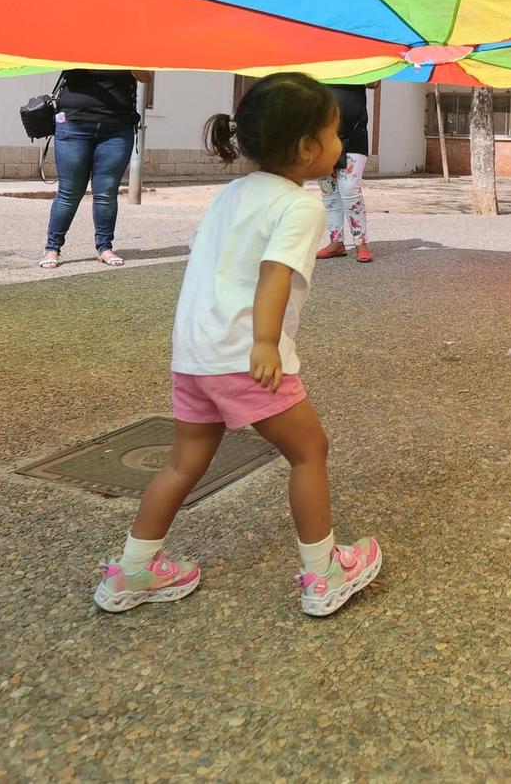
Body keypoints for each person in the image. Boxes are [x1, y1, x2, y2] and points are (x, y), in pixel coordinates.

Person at [92, 73, 383, 618]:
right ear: (305, 148)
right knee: (308, 451)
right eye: (336, 133)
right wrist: (266, 343)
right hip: (243, 354)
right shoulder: (300, 206)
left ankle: (132, 569)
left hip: (195, 354)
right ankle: (322, 575)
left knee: (183, 463)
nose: (343, 144)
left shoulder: (233, 193)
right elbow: (275, 272)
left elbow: (209, 256)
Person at [41, 69, 150, 268]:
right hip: (73, 123)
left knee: (107, 193)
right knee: (70, 191)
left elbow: (145, 77)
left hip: (117, 127)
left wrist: (129, 59)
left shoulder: (131, 44)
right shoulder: (80, 39)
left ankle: (104, 248)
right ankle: (52, 249)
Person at [315, 83, 373, 263]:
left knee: (349, 188)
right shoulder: (321, 64)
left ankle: (361, 243)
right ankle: (336, 242)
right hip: (323, 137)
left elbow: (374, 82)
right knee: (329, 190)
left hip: (354, 134)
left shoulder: (355, 59)